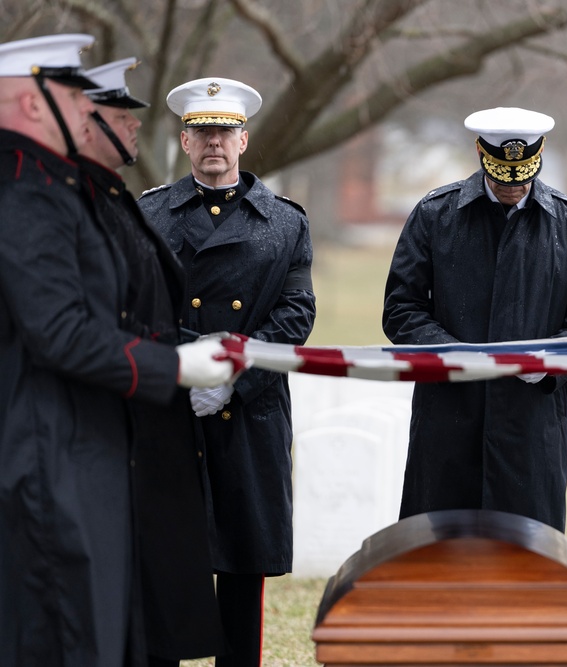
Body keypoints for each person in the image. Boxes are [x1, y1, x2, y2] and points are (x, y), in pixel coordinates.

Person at [0, 35, 234, 665]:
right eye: (75, 97)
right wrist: (175, 367)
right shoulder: (25, 187)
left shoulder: (61, 185)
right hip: (50, 449)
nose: (91, 110)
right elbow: (60, 330)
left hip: (92, 440)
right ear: (29, 102)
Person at [138, 77, 316, 667]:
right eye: (203, 131)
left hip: (250, 412)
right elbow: (137, 309)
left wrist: (234, 375)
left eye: (225, 131)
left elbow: (296, 313)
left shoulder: (286, 221)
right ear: (185, 141)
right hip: (173, 410)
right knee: (163, 561)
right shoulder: (149, 214)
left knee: (243, 565)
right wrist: (191, 370)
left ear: (244, 140)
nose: (214, 142)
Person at [382, 106, 567, 532]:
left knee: (526, 559)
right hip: (449, 417)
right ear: (480, 154)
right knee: (440, 553)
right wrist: (452, 353)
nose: (513, 187)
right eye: (503, 176)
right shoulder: (435, 215)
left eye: (523, 175)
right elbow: (401, 307)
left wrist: (547, 360)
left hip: (531, 423)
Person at [78, 57, 226, 666]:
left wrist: (197, 347)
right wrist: (181, 363)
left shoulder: (111, 197)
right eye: (122, 116)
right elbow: (84, 325)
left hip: (148, 418)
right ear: (85, 125)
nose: (138, 128)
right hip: (111, 421)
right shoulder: (82, 201)